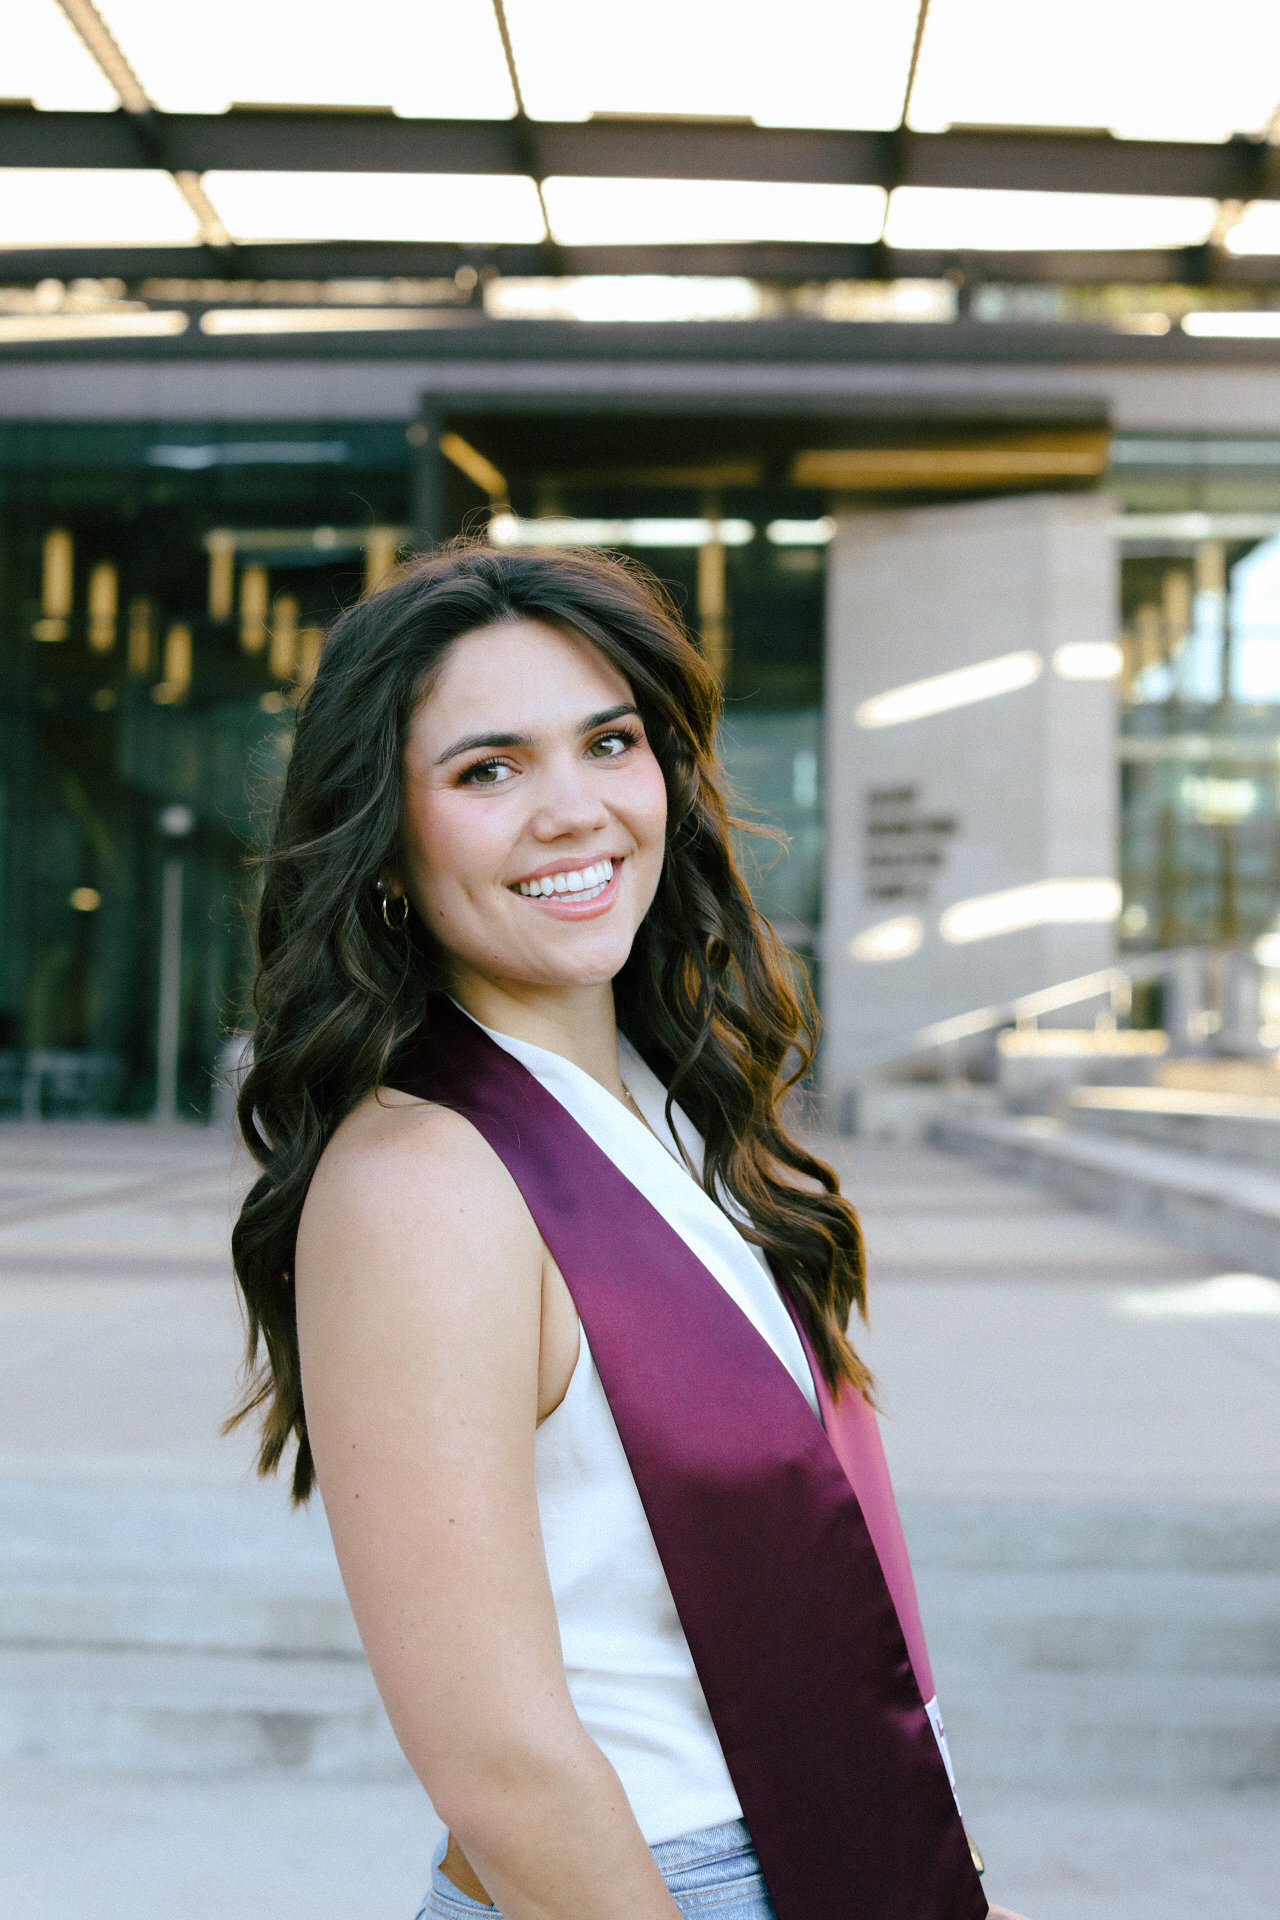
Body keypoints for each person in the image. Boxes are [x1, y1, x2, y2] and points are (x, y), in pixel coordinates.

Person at [231, 544, 1028, 1920]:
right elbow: (501, 1763)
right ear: (386, 837)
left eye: (610, 742)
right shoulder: (424, 1180)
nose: (574, 810)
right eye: (489, 770)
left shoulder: (674, 1118)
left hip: (848, 1852)